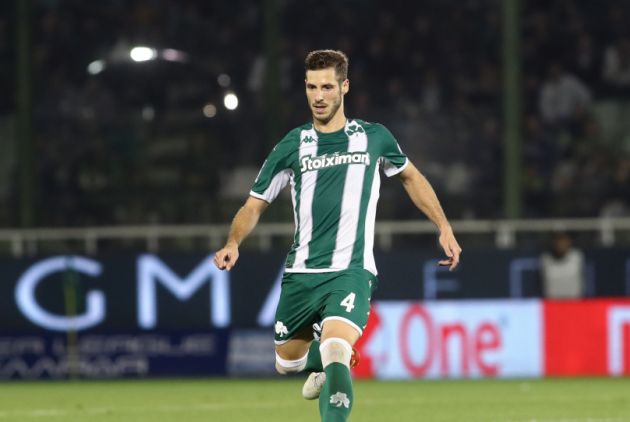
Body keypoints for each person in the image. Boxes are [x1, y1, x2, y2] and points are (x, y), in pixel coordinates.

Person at [213, 49, 462, 422]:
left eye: (327, 87)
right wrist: (234, 242)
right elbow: (253, 205)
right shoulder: (293, 144)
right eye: (312, 87)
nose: (318, 96)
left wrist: (443, 225)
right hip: (301, 273)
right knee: (286, 362)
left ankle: (334, 365)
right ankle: (325, 364)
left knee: (335, 348)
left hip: (351, 271)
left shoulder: (374, 137)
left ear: (344, 87)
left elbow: (411, 177)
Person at [540, 232, 586, 299]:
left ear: (569, 242)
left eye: (563, 241)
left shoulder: (577, 257)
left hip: (574, 300)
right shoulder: (545, 259)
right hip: (552, 301)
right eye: (558, 241)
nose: (561, 244)